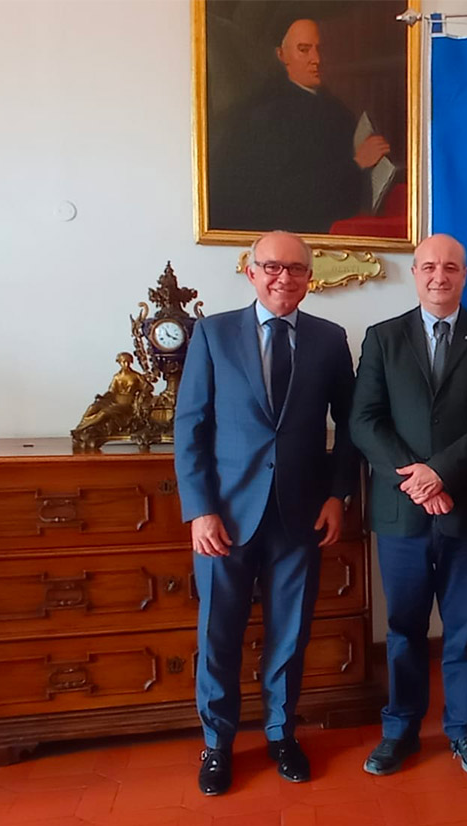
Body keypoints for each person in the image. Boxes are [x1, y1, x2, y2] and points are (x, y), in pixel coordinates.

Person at [174, 230, 358, 796]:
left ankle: (281, 733)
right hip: (225, 519)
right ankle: (218, 744)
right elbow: (191, 426)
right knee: (219, 634)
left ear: (310, 276)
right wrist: (200, 509)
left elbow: (350, 426)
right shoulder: (212, 334)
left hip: (299, 515)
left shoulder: (330, 339)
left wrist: (337, 495)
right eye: (272, 267)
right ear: (250, 272)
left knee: (289, 633)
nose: (285, 278)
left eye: (297, 269)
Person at [350, 233, 467, 778]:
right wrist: (417, 479)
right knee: (403, 626)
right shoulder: (382, 338)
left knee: (465, 626)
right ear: (414, 274)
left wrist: (440, 471)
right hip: (402, 512)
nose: (438, 276)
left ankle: (464, 730)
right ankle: (400, 730)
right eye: (428, 266)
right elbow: (364, 421)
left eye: (450, 267)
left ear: (464, 275)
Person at [209, 18, 391, 234]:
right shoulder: (263, 114)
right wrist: (356, 164)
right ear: (281, 55)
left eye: (319, 49)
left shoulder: (337, 111)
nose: (316, 59)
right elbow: (280, 193)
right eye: (304, 50)